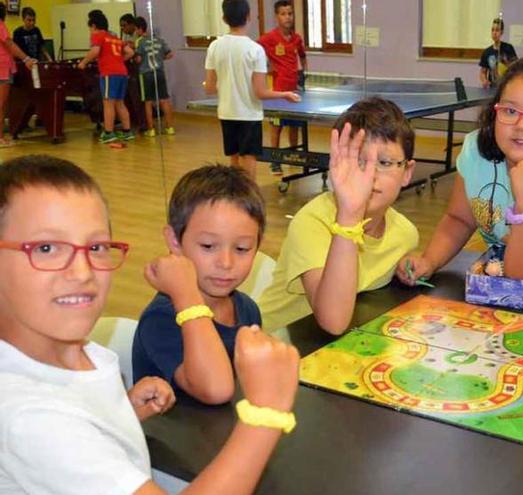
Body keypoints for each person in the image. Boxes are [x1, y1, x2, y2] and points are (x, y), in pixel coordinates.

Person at [0, 154, 301, 495]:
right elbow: (55, 435)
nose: (82, 272)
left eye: (96, 246)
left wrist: (120, 414)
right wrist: (266, 413)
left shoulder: (78, 351)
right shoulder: (30, 418)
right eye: (46, 248)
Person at [399, 57, 523, 285]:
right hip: (500, 276)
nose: (522, 126)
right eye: (510, 111)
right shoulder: (476, 150)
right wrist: (430, 261)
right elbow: (459, 219)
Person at [258, 96, 419, 334]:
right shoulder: (313, 223)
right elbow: (333, 321)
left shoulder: (406, 235)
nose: (370, 175)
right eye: (358, 161)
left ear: (407, 172)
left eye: (384, 162)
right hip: (272, 344)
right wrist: (350, 214)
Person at [133, 165, 266, 405]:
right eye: (207, 246)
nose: (226, 263)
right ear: (175, 240)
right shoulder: (161, 318)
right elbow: (215, 390)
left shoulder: (247, 308)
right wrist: (186, 294)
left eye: (242, 248)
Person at [204, 0, 301, 181]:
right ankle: (248, 198)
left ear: (224, 18)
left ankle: (236, 198)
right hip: (248, 114)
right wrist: (284, 94)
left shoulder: (214, 47)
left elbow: (209, 88)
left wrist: (224, 85)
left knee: (234, 158)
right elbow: (260, 92)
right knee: (248, 159)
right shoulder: (255, 50)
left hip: (226, 113)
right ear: (248, 17)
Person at [258, 0, 308, 176]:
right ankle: (275, 160)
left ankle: (293, 156)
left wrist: (304, 74)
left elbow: (302, 56)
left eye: (290, 13)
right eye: (283, 14)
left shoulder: (296, 38)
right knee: (276, 126)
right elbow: (254, 51)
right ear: (276, 16)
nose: (287, 17)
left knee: (295, 125)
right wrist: (266, 68)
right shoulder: (269, 38)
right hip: (278, 92)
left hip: (294, 90)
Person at [77, 9, 136, 144]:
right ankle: (127, 132)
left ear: (93, 26)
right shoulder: (114, 37)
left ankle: (108, 133)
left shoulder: (98, 35)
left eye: (90, 29)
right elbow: (130, 52)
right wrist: (119, 60)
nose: (90, 32)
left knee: (108, 103)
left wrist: (83, 63)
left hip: (110, 73)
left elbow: (95, 51)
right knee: (120, 102)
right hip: (122, 72)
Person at [0, 3, 37, 147]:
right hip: (2, 68)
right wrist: (26, 58)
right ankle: (0, 138)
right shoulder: (1, 25)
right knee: (1, 106)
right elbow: (9, 44)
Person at [133, 16, 175, 136]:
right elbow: (170, 54)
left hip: (146, 74)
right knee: (164, 100)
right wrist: (160, 59)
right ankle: (170, 128)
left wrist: (136, 58)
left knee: (148, 102)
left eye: (136, 30)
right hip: (159, 72)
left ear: (139, 29)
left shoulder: (140, 41)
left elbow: (139, 58)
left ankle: (151, 130)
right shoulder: (159, 40)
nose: (136, 32)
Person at [479, 17, 517, 89]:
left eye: (497, 30)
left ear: (501, 32)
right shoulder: (487, 52)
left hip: (506, 86)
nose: (494, 33)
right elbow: (483, 72)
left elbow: (515, 67)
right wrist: (484, 81)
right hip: (492, 87)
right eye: (492, 30)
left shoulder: (508, 48)